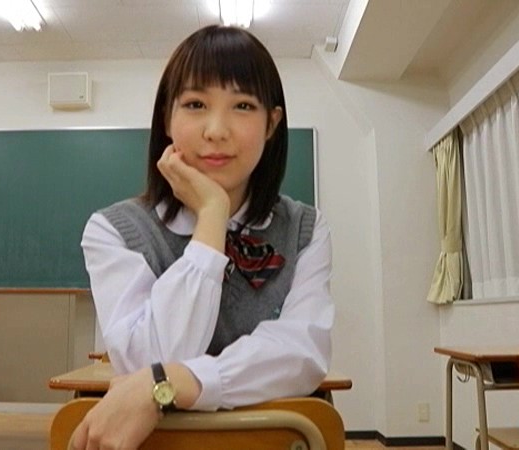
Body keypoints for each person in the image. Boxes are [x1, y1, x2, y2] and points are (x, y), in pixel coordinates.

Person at [74, 24, 334, 450]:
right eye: (195, 104)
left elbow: (300, 353)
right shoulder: (114, 230)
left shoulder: (305, 229)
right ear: (167, 117)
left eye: (243, 106)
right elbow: (146, 359)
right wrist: (213, 217)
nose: (216, 130)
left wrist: (178, 380)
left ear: (271, 124)